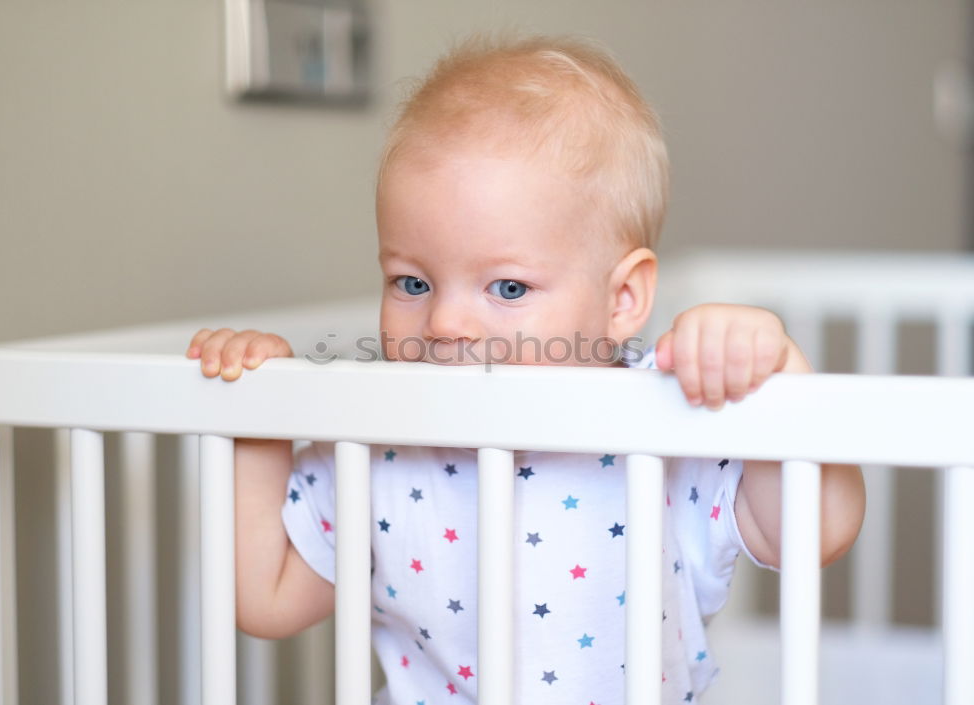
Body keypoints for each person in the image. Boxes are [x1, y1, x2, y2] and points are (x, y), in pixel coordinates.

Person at [186, 34, 865, 704]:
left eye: (508, 288)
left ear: (622, 299)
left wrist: (775, 371)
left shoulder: (663, 426)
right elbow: (266, 598)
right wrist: (258, 417)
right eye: (413, 283)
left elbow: (815, 531)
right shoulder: (376, 447)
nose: (445, 324)